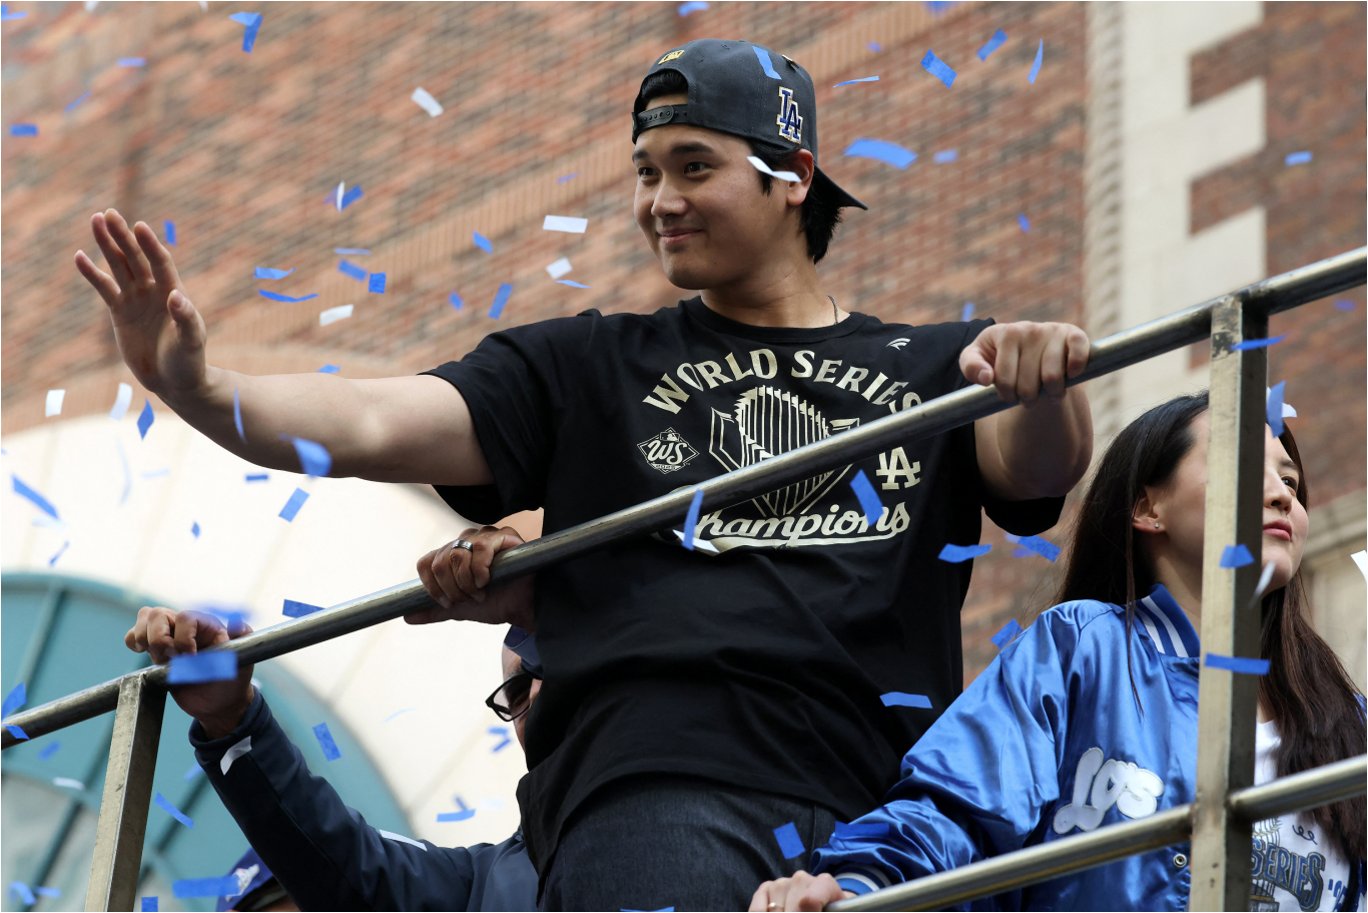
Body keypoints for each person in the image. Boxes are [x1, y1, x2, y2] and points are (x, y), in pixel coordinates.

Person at [78, 37, 1093, 909]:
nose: (661, 201)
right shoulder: (587, 364)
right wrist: (202, 389)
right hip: (656, 792)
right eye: (645, 172)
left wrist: (1041, 381)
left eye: (694, 167)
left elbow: (1039, 466)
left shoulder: (934, 364)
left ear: (793, 176)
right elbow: (378, 418)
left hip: (887, 827)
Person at [750, 392, 1367, 913]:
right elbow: (959, 810)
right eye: (1242, 466)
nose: (1282, 496)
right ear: (1147, 507)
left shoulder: (1350, 723)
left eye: (1291, 482)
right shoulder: (1083, 647)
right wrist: (860, 886)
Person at [124, 529, 540, 911]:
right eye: (518, 690)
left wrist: (543, 607)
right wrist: (229, 719)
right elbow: (339, 860)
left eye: (546, 662)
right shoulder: (477, 887)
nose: (537, 694)